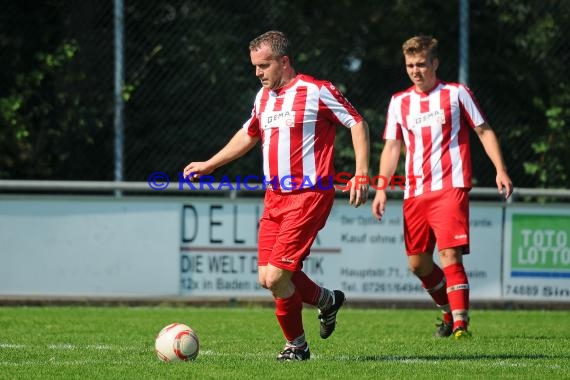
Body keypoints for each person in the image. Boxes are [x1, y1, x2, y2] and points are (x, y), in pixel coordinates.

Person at [183, 30, 370, 360]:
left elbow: (356, 122)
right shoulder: (263, 98)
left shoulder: (317, 90)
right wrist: (210, 164)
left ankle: (297, 347)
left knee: (276, 276)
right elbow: (248, 134)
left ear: (284, 62)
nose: (258, 73)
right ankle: (328, 301)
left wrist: (361, 173)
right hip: (275, 197)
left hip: (309, 194)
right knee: (268, 278)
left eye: (264, 65)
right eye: (255, 66)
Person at [371, 35, 513, 339]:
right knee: (418, 263)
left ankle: (461, 324)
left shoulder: (456, 94)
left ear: (435, 63)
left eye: (421, 64)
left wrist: (500, 170)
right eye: (410, 65)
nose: (415, 70)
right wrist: (381, 187)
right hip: (414, 192)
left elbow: (484, 131)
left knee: (450, 254)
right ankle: (448, 311)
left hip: (451, 186)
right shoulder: (399, 101)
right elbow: (393, 146)